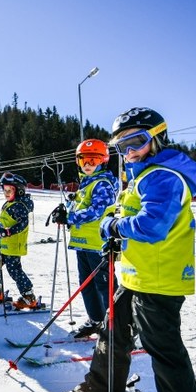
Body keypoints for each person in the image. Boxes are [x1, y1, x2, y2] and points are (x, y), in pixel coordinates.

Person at [60, 107, 196, 392]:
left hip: (158, 279)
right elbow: (128, 213)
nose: (129, 152)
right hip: (135, 275)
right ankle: (104, 386)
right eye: (122, 146)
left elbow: (152, 226)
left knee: (165, 351)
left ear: (157, 139)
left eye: (137, 142)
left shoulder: (163, 176)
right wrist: (116, 222)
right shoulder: (143, 175)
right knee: (112, 331)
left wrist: (115, 227)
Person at [50, 139, 118, 338]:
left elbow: (97, 211)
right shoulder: (85, 185)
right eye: (83, 160)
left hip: (99, 245)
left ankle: (119, 326)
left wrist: (71, 217)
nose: (87, 164)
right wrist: (65, 213)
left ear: (103, 161)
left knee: (106, 286)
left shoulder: (103, 184)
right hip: (83, 244)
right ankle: (96, 320)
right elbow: (80, 208)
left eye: (93, 160)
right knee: (86, 285)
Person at [0, 172, 37, 309]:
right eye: (4, 190)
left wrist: (7, 231)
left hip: (13, 245)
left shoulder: (20, 206)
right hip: (2, 245)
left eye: (9, 190)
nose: (6, 193)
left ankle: (29, 296)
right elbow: (5, 218)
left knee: (14, 270)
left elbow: (23, 223)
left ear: (19, 190)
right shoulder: (9, 204)